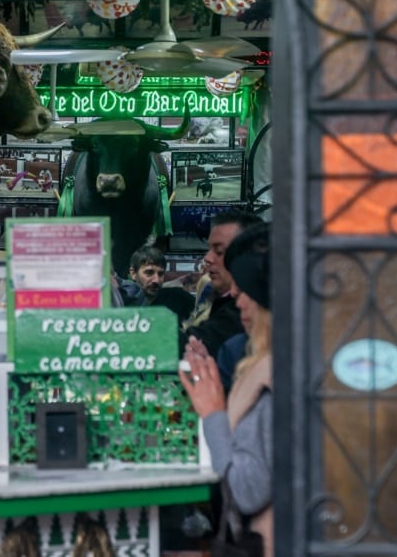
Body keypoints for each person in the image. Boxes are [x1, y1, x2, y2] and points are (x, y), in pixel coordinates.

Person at [180, 222, 274, 556]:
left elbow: (247, 490)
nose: (236, 296)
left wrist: (213, 412)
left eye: (245, 288)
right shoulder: (258, 361)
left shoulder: (271, 378)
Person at [182, 209, 264, 357]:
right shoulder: (214, 295)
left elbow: (188, 345)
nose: (207, 258)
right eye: (209, 249)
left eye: (219, 251)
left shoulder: (242, 314)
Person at [118, 245, 196, 327]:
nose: (156, 280)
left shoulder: (178, 298)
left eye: (161, 274)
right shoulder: (123, 303)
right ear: (133, 273)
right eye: (149, 273)